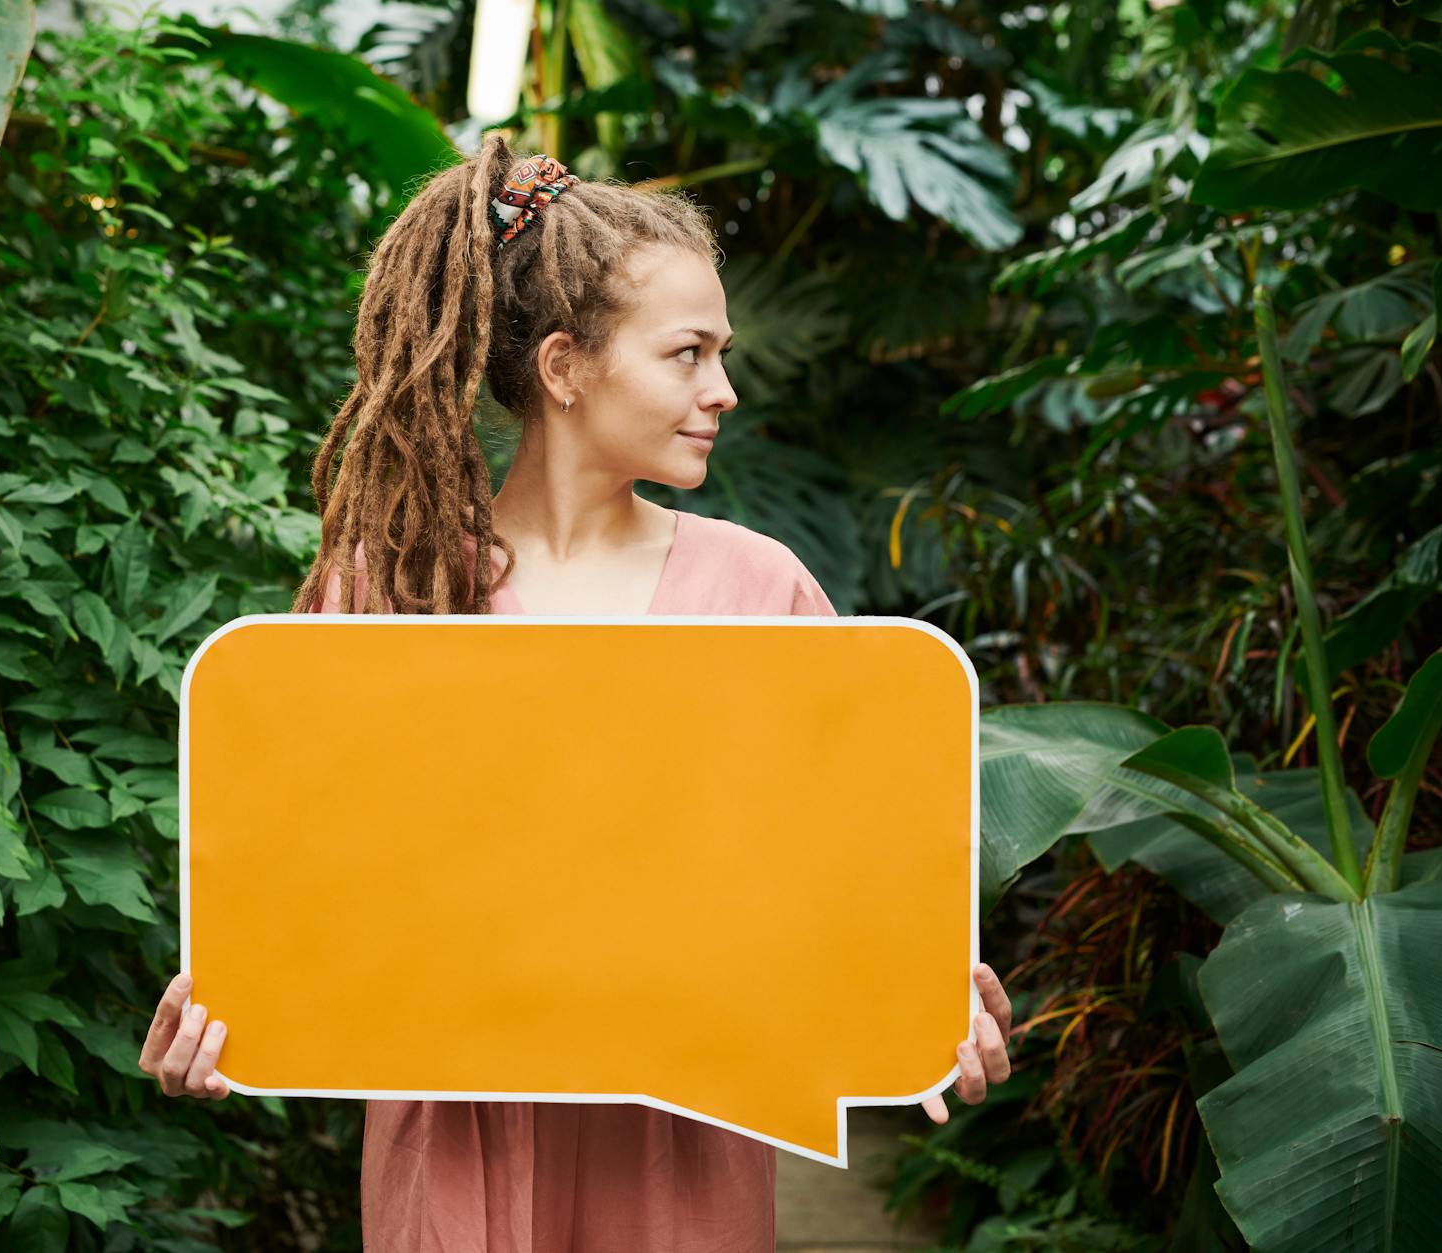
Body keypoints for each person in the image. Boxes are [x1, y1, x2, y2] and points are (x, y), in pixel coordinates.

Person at [139, 137, 1014, 1251]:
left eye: (721, 353)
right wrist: (230, 1016)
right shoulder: (391, 586)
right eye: (688, 353)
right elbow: (311, 877)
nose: (723, 389)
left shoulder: (760, 588)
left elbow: (834, 881)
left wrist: (926, 1009)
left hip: (683, 1141)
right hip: (455, 1137)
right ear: (563, 367)